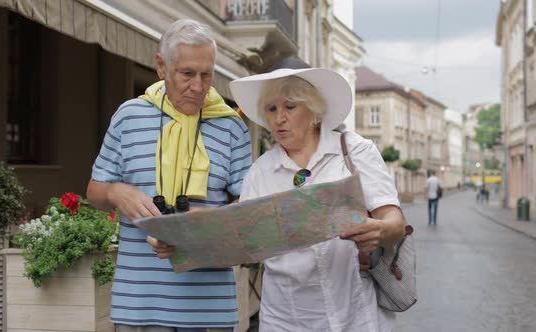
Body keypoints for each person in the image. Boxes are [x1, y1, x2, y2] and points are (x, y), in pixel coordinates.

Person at [87, 19, 252, 331]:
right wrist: (116, 192)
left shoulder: (232, 127)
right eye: (187, 74)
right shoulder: (128, 117)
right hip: (139, 306)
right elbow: (94, 192)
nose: (199, 86)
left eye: (207, 74)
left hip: (210, 311)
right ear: (161, 67)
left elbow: (249, 215)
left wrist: (200, 227)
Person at [229, 68, 406, 331]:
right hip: (285, 318)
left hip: (353, 312)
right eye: (271, 109)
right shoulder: (260, 171)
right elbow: (244, 241)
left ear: (313, 111)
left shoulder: (354, 151)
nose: (279, 119)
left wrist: (379, 230)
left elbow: (395, 223)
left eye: (290, 107)